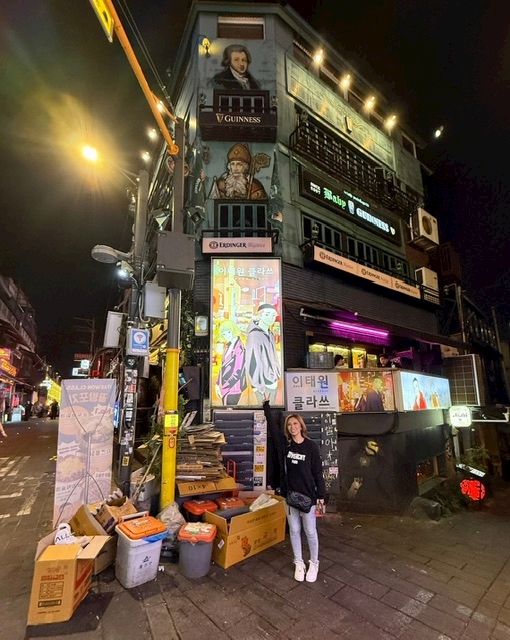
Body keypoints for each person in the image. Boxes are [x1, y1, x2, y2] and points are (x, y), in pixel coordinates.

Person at [263, 399, 326, 583]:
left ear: (301, 426)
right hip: (290, 497)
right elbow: (273, 429)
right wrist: (266, 406)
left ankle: (314, 562)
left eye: (295, 423)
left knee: (310, 531)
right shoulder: (285, 447)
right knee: (294, 530)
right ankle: (298, 562)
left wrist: (321, 496)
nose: (292, 427)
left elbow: (318, 472)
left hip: (308, 497)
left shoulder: (311, 446)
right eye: (289, 424)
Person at [246, 303, 281, 404]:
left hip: (272, 379)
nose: (271, 318)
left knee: (271, 409)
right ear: (259, 316)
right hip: (263, 384)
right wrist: (258, 386)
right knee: (266, 411)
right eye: (267, 314)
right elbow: (252, 362)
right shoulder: (254, 336)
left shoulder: (270, 333)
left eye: (273, 315)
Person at [215, 319, 246, 406]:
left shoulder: (239, 348)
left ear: (233, 330)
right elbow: (222, 367)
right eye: (224, 334)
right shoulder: (228, 346)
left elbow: (237, 372)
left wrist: (223, 389)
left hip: (234, 388)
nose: (226, 336)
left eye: (228, 332)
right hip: (226, 386)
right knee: (226, 409)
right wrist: (217, 384)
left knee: (228, 410)